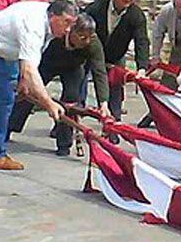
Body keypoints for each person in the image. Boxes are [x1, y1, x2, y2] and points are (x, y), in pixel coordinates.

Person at [0, 0, 79, 170]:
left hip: (2, 50)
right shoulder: (33, 25)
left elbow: (29, 61)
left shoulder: (47, 21)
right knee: (2, 97)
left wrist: (24, 82)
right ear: (53, 16)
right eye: (66, 22)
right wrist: (49, 103)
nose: (69, 29)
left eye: (72, 24)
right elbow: (30, 70)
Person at [6, 14, 107, 155]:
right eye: (82, 37)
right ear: (71, 31)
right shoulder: (56, 35)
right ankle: (9, 127)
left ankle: (64, 144)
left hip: (73, 68)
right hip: (47, 63)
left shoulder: (93, 43)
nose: (87, 41)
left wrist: (103, 102)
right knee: (30, 93)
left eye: (90, 37)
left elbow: (99, 71)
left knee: (70, 101)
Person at [83, 0, 149, 119]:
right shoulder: (95, 9)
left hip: (116, 56)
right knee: (77, 89)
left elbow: (142, 41)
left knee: (115, 93)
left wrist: (142, 68)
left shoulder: (136, 15)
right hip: (87, 54)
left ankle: (113, 129)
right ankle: (66, 128)